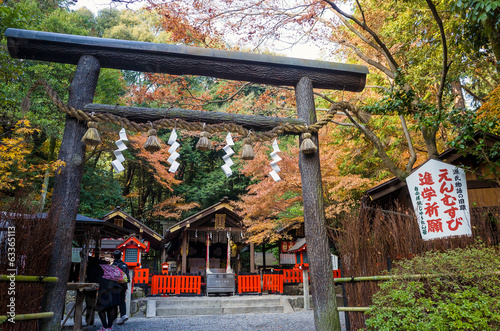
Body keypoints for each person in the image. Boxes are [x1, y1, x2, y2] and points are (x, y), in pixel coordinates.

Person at [88, 256, 121, 331]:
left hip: (104, 288)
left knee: (101, 308)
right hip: (115, 287)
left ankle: (105, 327)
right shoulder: (107, 265)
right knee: (112, 307)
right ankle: (110, 326)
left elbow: (91, 279)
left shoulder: (93, 267)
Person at [112, 250, 130, 325]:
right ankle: (123, 315)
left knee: (114, 301)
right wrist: (126, 282)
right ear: (121, 256)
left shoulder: (112, 266)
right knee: (122, 300)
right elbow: (127, 276)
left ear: (113, 256)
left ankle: (114, 318)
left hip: (115, 285)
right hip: (122, 285)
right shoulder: (124, 265)